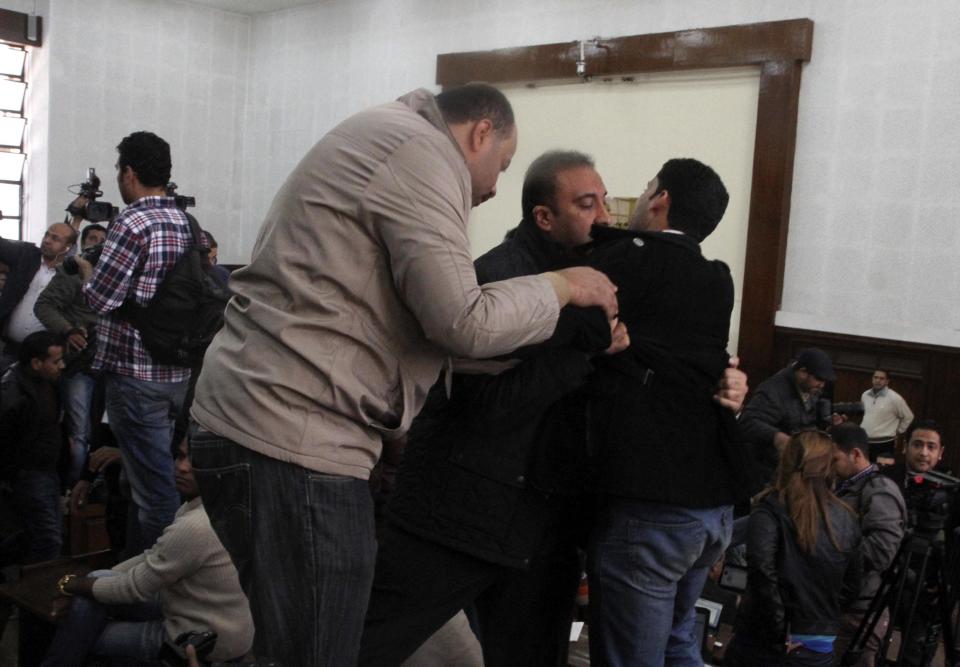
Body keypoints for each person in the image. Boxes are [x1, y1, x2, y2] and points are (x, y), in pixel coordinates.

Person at [189, 84, 619, 667]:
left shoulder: (388, 135)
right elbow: (462, 323)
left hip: (267, 420)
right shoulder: (421, 153)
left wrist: (392, 426)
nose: (493, 189)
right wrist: (563, 287)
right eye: (502, 165)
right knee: (322, 653)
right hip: (293, 438)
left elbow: (391, 325)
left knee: (300, 646)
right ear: (480, 134)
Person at [360, 150, 625, 666]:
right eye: (587, 204)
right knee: (364, 647)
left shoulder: (595, 277)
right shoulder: (497, 281)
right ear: (544, 217)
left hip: (539, 524)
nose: (604, 217)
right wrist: (584, 351)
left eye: (605, 202)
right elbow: (486, 407)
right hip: (455, 511)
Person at [579, 158, 754, 665]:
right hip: (713, 505)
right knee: (679, 643)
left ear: (660, 199)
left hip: (655, 501)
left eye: (647, 184)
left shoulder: (624, 261)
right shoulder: (718, 279)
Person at [77, 131, 197, 555]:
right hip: (176, 373)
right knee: (143, 479)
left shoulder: (132, 222)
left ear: (129, 173)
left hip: (135, 374)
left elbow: (100, 298)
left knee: (154, 495)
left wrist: (85, 272)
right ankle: (132, 572)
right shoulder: (186, 220)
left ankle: (153, 596)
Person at [41, 438, 254, 665]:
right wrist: (92, 581)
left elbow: (133, 588)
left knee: (83, 636)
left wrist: (70, 584)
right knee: (93, 590)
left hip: (200, 640)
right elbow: (151, 557)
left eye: (197, 461)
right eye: (181, 456)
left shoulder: (197, 524)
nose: (182, 467)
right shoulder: (215, 503)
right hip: (200, 615)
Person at [725, 431, 861, 667]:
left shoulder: (770, 508)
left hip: (765, 640)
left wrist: (781, 630)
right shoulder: (846, 517)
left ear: (786, 460)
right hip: (818, 641)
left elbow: (762, 572)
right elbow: (853, 585)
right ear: (829, 466)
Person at [34, 222, 107, 484]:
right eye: (92, 239)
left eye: (103, 240)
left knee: (107, 431)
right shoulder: (71, 274)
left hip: (112, 365)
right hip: (80, 365)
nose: (97, 244)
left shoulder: (115, 273)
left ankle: (96, 488)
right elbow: (44, 306)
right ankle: (72, 490)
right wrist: (68, 330)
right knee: (79, 432)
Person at [831, 423, 906, 666]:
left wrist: (831, 553)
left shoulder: (879, 490)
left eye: (835, 459)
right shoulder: (847, 486)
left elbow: (881, 552)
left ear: (855, 454)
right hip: (842, 605)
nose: (830, 466)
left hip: (859, 612)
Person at [0, 330, 66, 563]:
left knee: (47, 534)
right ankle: (37, 592)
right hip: (28, 474)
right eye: (56, 361)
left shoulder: (49, 383)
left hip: (48, 471)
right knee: (48, 539)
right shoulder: (12, 395)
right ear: (36, 363)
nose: (62, 366)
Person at [739, 347, 838, 482]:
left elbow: (807, 418)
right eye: (819, 379)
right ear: (803, 372)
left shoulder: (810, 387)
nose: (822, 385)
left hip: (792, 468)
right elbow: (747, 422)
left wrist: (826, 422)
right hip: (765, 471)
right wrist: (776, 437)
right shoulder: (773, 390)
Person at [0, 221, 76, 368]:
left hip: (46, 358)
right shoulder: (25, 255)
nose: (47, 240)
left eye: (55, 238)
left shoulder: (71, 275)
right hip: (11, 349)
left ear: (68, 247)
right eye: (47, 235)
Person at [860, 369, 914, 462]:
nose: (878, 380)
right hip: (865, 441)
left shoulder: (895, 398)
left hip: (884, 443)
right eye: (875, 377)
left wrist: (898, 431)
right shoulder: (865, 395)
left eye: (881, 378)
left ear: (887, 381)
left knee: (882, 471)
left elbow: (908, 417)